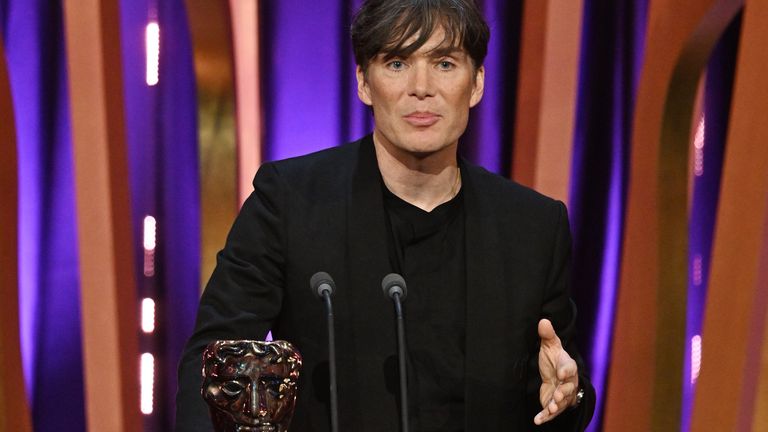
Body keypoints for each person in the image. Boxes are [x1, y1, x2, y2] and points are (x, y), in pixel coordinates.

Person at [176, 0, 595, 430]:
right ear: (363, 82)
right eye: (396, 63)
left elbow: (561, 387)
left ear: (477, 84)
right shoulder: (290, 202)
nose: (421, 87)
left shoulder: (532, 227)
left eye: (445, 63)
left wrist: (569, 394)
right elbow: (212, 360)